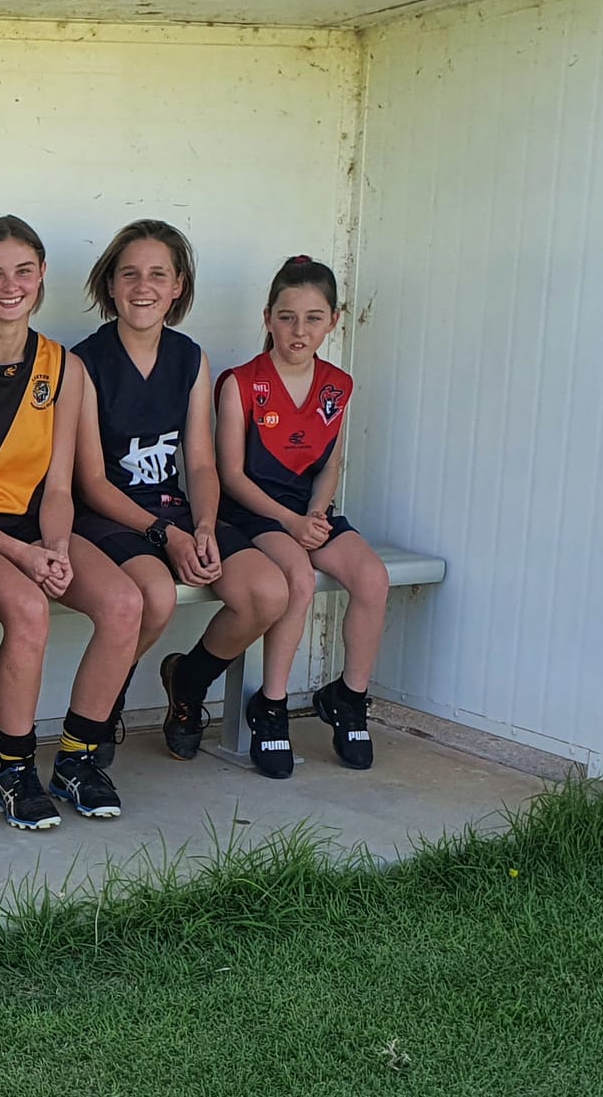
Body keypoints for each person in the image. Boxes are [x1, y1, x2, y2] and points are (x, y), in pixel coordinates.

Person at [0, 216, 145, 830]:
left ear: (42, 275)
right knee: (27, 607)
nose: (10, 285)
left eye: (23, 271)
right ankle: (15, 772)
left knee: (125, 603)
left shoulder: (64, 367)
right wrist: (26, 557)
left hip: (35, 529)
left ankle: (76, 758)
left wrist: (55, 545)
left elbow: (61, 486)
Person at [70, 219, 290, 766]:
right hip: (110, 516)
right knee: (156, 595)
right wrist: (166, 535)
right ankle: (105, 702)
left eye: (157, 274)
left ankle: (188, 682)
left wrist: (206, 527)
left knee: (267, 592)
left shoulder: (190, 357)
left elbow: (200, 463)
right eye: (129, 274)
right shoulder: (84, 362)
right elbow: (91, 482)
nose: (143, 286)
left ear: (178, 286)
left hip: (174, 512)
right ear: (110, 285)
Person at [215, 255, 389, 773]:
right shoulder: (242, 383)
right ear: (268, 317)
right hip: (253, 513)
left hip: (306, 511)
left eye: (314, 318)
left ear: (334, 320)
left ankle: (348, 698)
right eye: (287, 317)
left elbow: (330, 464)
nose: (299, 330)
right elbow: (231, 477)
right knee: (298, 578)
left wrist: (314, 513)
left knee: (373, 578)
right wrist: (292, 524)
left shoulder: (337, 385)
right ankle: (271, 706)